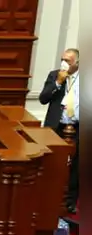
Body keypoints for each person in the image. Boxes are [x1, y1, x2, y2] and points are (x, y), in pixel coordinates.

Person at [38, 48, 79, 214]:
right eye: (62, 59)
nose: (64, 63)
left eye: (68, 61)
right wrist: (58, 83)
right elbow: (43, 98)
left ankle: (69, 202)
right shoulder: (54, 75)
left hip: (78, 127)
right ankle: (47, 198)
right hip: (56, 126)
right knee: (51, 162)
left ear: (77, 63)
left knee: (77, 166)